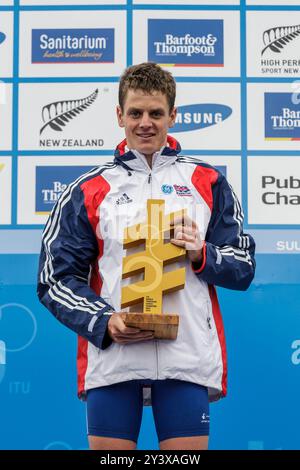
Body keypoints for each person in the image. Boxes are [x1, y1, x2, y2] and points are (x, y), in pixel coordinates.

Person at [37, 62, 255, 451]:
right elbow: (55, 278)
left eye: (156, 113)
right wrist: (105, 321)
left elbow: (242, 267)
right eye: (135, 113)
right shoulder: (88, 188)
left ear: (173, 115)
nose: (145, 123)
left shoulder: (207, 182)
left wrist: (201, 253)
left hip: (185, 356)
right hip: (115, 358)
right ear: (119, 115)